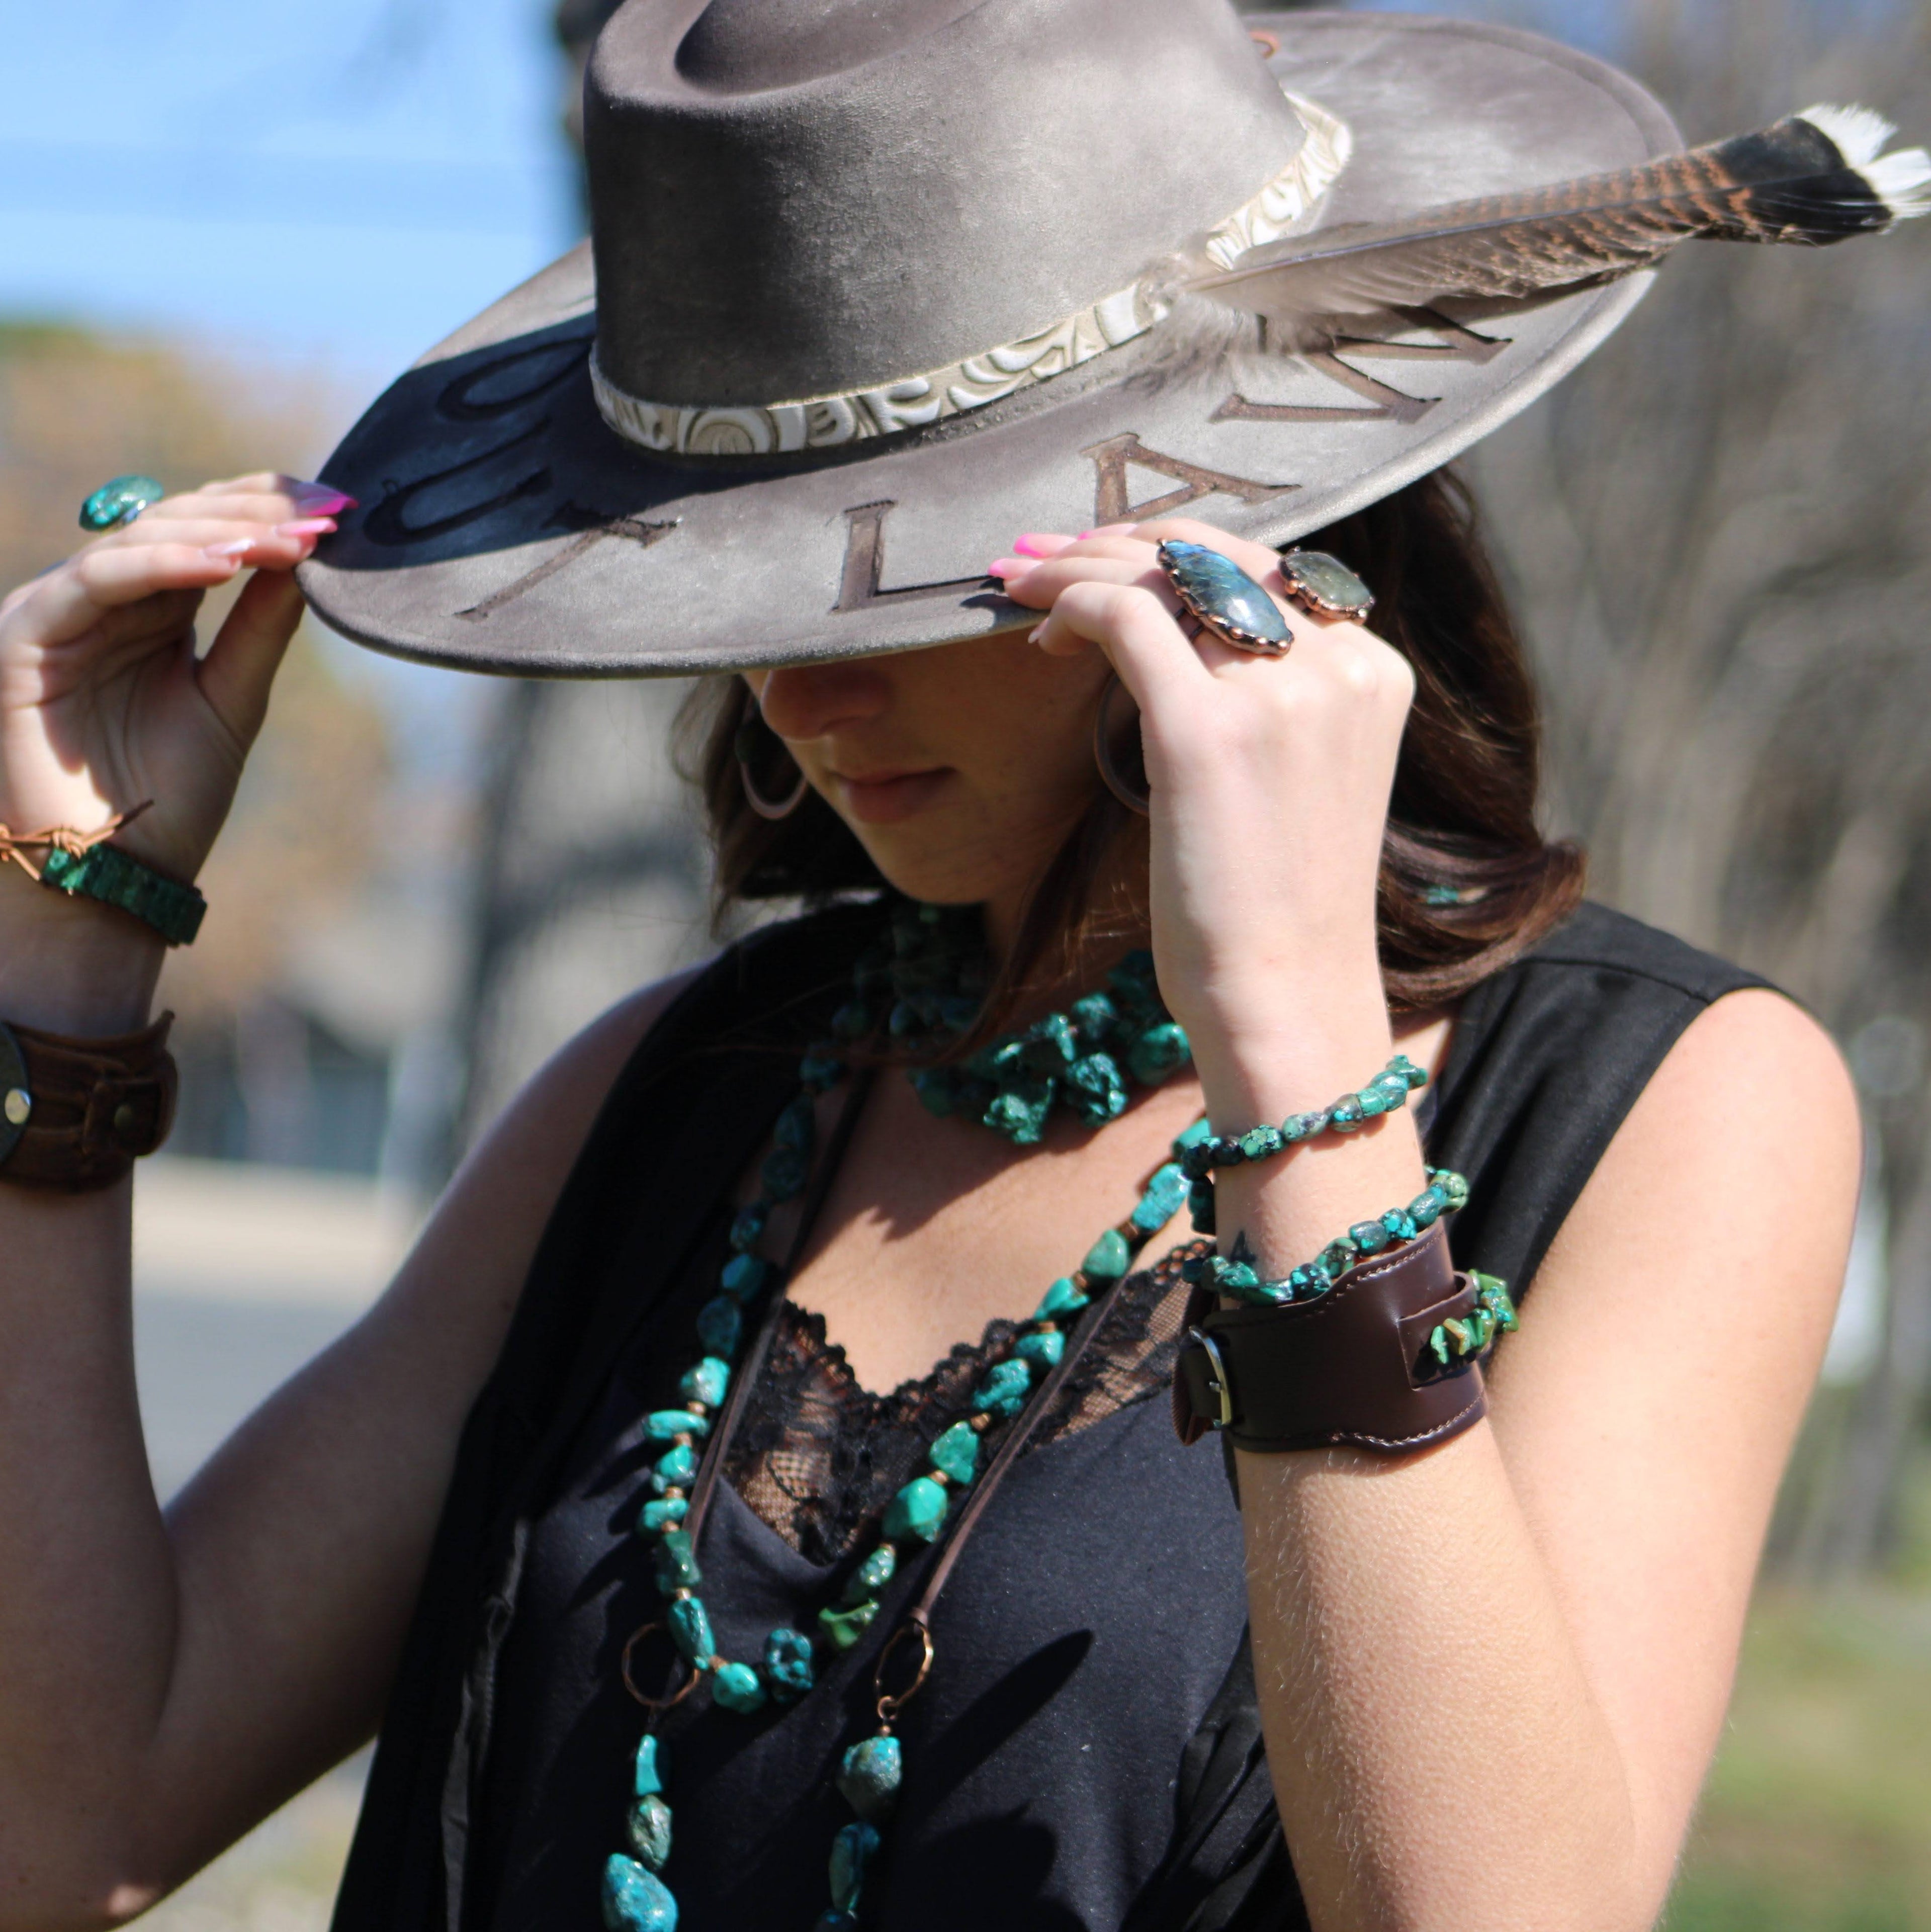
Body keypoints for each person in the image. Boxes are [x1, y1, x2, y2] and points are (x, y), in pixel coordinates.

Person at [1, 2, 1920, 1928]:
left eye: (923, 570)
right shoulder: (681, 1090)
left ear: (1248, 521)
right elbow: (63, 1823)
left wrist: (1299, 1061)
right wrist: (63, 980)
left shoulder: (1675, 1104)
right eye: (729, 571)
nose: (804, 686)